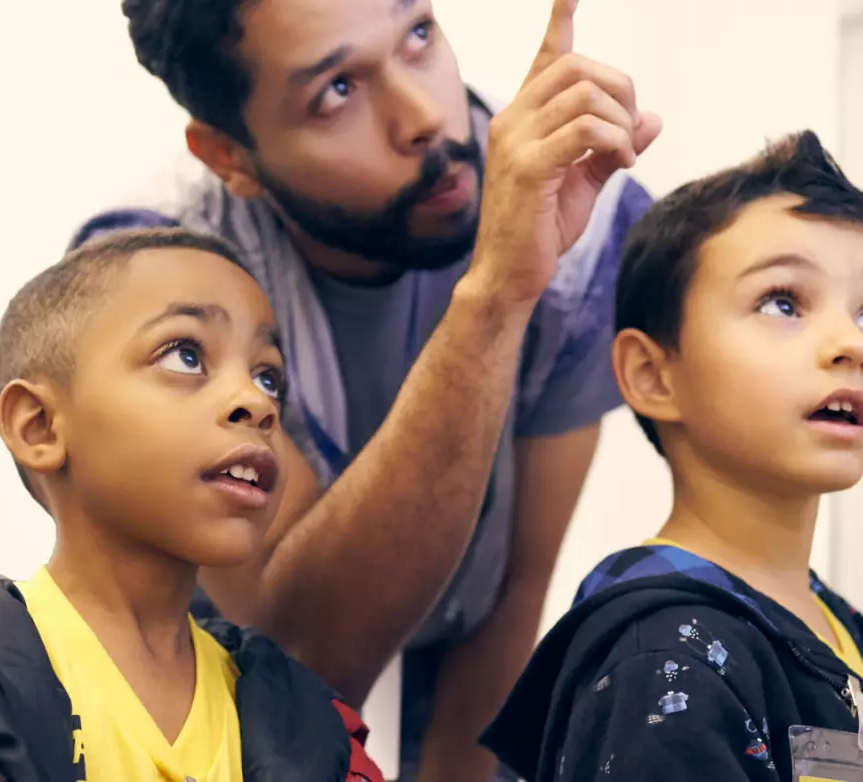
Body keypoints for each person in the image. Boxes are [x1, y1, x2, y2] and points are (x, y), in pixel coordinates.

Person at [72, 1, 661, 777]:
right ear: (229, 157)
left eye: (418, 34)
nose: (424, 117)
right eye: (337, 91)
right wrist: (494, 297)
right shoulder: (147, 283)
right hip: (213, 718)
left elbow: (515, 594)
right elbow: (307, 652)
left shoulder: (584, 223)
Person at [479, 131, 863, 782]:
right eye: (784, 302)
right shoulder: (661, 659)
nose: (852, 343)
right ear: (654, 375)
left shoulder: (838, 634)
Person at [0, 229, 385, 782]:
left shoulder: (321, 737)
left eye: (268, 377)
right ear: (40, 425)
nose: (256, 405)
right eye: (185, 355)